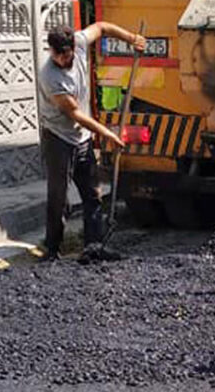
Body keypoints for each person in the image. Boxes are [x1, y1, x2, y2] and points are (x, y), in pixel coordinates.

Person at [38, 23, 145, 263]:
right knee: (59, 197)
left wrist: (132, 37)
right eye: (58, 55)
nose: (63, 59)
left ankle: (93, 248)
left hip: (82, 138)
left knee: (93, 194)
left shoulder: (80, 43)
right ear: (51, 51)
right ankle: (52, 250)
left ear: (73, 47)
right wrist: (106, 134)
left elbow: (102, 27)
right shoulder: (50, 77)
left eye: (66, 54)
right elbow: (75, 114)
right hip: (58, 138)